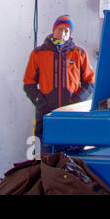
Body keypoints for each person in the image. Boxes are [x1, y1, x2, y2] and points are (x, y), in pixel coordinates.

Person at [23, 15, 94, 149]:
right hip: (46, 114)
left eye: (67, 30)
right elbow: (28, 83)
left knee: (72, 156)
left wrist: (77, 100)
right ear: (54, 30)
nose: (63, 33)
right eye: (60, 29)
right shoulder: (38, 53)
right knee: (45, 154)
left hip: (72, 114)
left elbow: (90, 82)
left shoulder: (79, 53)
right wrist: (41, 103)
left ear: (70, 34)